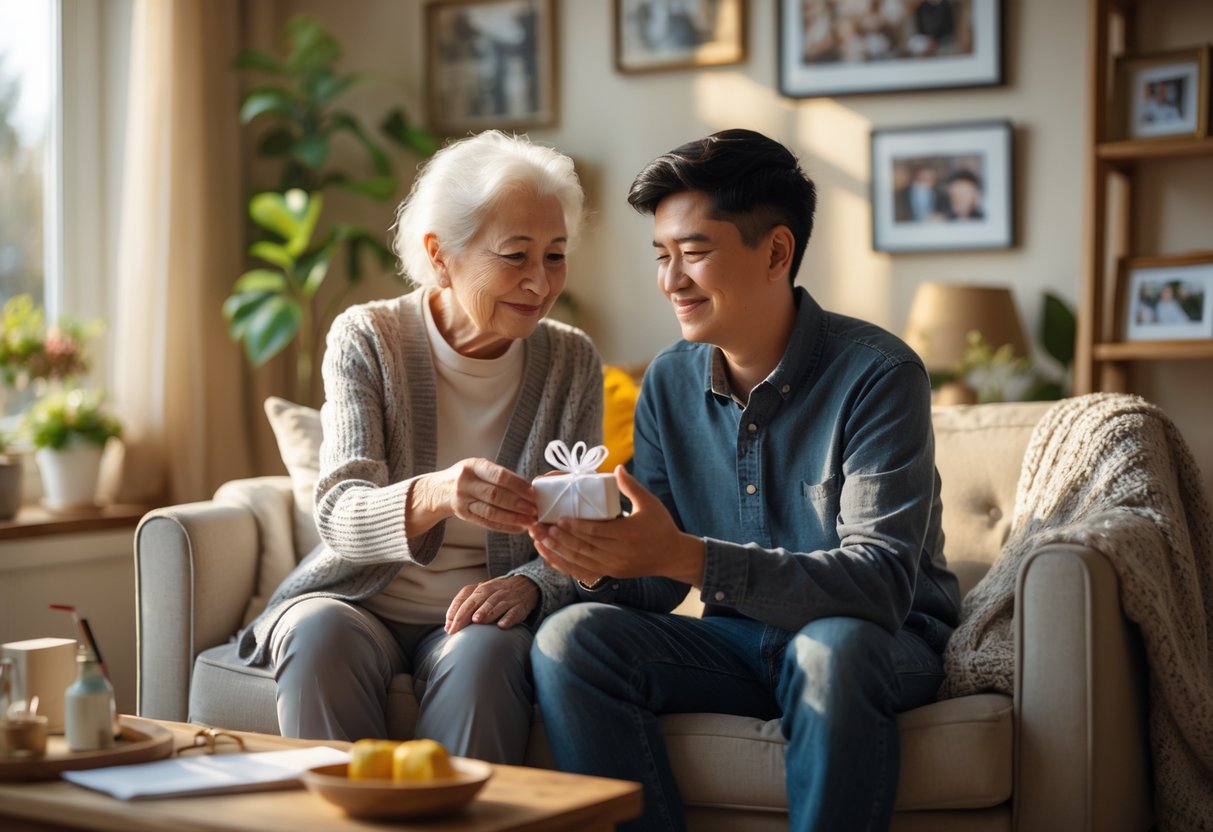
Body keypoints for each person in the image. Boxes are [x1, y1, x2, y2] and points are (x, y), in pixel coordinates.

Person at [529, 128, 960, 831]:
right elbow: (660, 583)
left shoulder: (878, 376)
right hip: (736, 643)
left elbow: (878, 585)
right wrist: (596, 562)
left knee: (832, 646)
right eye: (662, 256)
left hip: (876, 646)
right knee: (573, 638)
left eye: (693, 253)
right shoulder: (668, 380)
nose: (670, 281)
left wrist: (681, 555)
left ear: (776, 252)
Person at [235, 130, 603, 764]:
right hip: (357, 599)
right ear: (440, 255)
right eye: (515, 255)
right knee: (318, 635)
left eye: (555, 255)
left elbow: (583, 535)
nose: (540, 284)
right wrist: (435, 492)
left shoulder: (571, 358)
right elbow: (340, 514)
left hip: (481, 613)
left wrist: (533, 586)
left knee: (487, 653)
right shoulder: (367, 337)